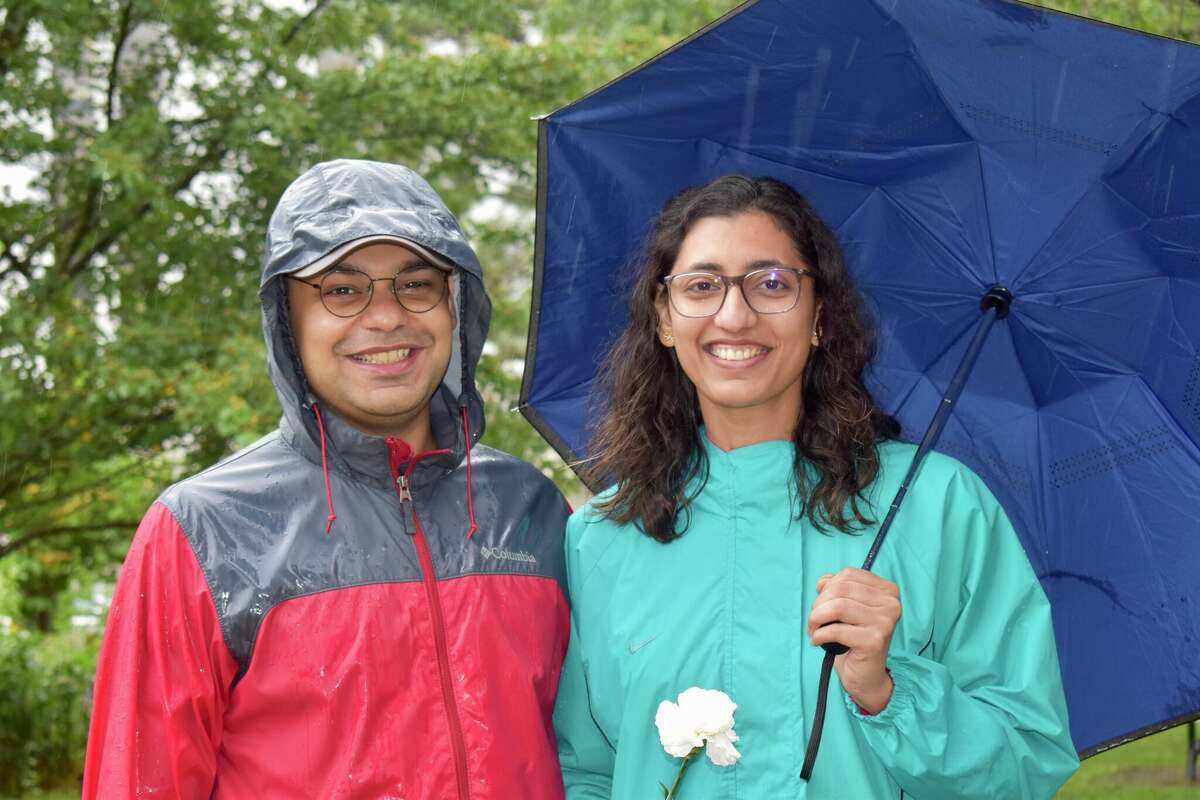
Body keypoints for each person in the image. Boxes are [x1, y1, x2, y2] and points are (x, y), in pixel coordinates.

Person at [553, 175, 1080, 798]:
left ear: (820, 316)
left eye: (771, 283)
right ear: (664, 319)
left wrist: (887, 693)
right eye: (701, 286)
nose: (734, 314)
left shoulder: (938, 506)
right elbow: (583, 772)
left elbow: (1027, 765)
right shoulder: (602, 537)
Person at [83, 159, 572, 798]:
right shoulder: (202, 529)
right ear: (288, 319)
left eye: (417, 283)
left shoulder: (530, 510)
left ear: (455, 306)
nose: (387, 316)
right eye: (342, 289)